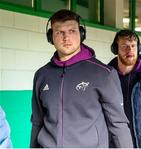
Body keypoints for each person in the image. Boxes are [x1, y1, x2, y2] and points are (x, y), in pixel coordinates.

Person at [30, 9, 133, 148]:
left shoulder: (104, 74)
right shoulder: (42, 75)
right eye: (59, 32)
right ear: (51, 37)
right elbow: (37, 122)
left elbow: (118, 125)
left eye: (72, 31)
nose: (66, 37)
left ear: (81, 34)